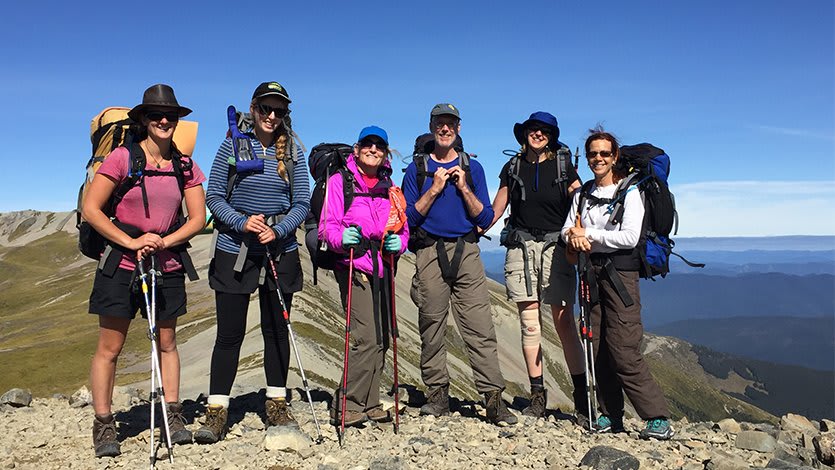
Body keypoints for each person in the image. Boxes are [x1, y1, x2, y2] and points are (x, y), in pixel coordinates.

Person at [84, 84, 206, 457]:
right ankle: (104, 423)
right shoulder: (121, 158)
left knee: (168, 343)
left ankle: (173, 416)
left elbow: (198, 218)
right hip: (121, 263)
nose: (164, 121)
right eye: (156, 115)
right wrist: (132, 241)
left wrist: (164, 242)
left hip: (166, 263)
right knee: (110, 346)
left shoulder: (185, 166)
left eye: (170, 116)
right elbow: (91, 209)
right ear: (144, 119)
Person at [196, 81, 310, 443]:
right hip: (235, 248)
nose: (272, 116)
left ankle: (276, 403)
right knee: (229, 333)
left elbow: (302, 203)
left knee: (277, 330)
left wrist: (279, 230)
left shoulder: (293, 150)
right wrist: (241, 222)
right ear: (253, 107)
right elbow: (214, 196)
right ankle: (217, 411)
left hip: (279, 248)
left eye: (279, 110)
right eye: (265, 108)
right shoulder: (233, 143)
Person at [402, 103, 517, 426]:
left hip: (467, 251)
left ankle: (493, 399)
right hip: (428, 251)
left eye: (450, 123)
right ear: (432, 126)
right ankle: (437, 395)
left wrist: (464, 187)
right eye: (440, 123)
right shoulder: (417, 169)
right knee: (431, 325)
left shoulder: (472, 168)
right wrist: (435, 189)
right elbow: (407, 219)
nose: (445, 128)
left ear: (458, 128)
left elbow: (485, 217)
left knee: (480, 326)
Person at [561, 127, 674, 440]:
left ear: (614, 157)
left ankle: (657, 417)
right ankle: (610, 414)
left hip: (620, 275)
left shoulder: (629, 191)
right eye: (593, 154)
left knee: (623, 347)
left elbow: (630, 237)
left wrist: (588, 235)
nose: (598, 158)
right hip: (590, 273)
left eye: (604, 153)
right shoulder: (582, 194)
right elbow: (567, 228)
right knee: (596, 347)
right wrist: (573, 237)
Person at [490, 111, 588, 420]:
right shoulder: (513, 167)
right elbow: (498, 206)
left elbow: (581, 203)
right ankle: (537, 397)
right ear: (525, 133)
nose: (538, 133)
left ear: (552, 136)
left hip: (556, 248)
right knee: (530, 324)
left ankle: (582, 398)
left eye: (544, 130)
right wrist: (475, 228)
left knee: (564, 322)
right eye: (533, 128)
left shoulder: (563, 167)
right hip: (521, 246)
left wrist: (586, 234)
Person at [318, 126, 409, 427]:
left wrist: (400, 243)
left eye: (379, 146)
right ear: (356, 150)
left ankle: (370, 403)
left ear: (385, 153)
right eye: (368, 144)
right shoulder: (340, 181)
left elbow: (402, 227)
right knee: (366, 338)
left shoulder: (390, 187)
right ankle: (347, 404)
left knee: (383, 338)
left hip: (384, 267)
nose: (373, 149)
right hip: (353, 266)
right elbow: (327, 227)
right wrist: (341, 238)